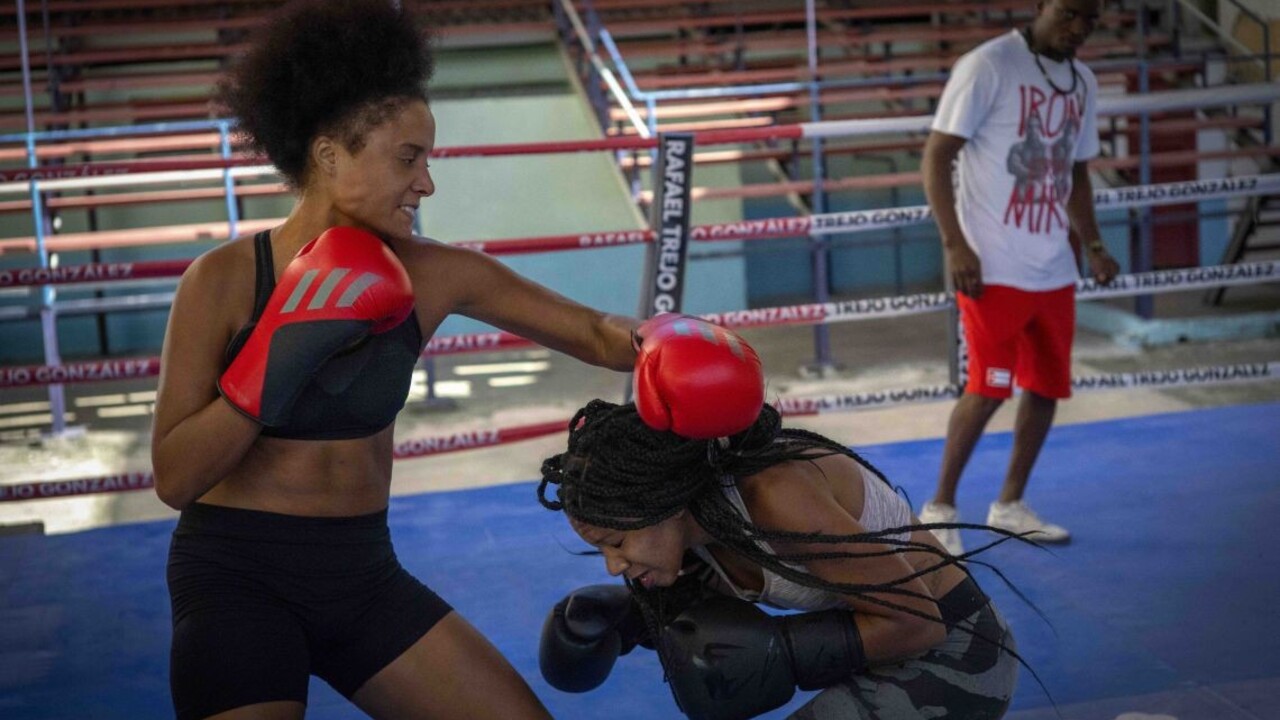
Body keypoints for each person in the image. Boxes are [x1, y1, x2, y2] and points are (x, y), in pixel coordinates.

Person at [148, 1, 676, 717]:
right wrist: (275, 355)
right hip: (235, 575)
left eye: (428, 159)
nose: (426, 183)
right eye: (408, 158)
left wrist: (673, 342)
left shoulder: (434, 273)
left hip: (361, 575)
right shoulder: (222, 279)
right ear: (329, 154)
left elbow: (592, 331)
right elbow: (176, 477)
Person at [536, 400, 1024, 720]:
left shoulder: (774, 495)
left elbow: (919, 623)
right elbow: (704, 622)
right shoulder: (688, 536)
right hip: (881, 649)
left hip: (960, 651)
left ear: (666, 504)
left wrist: (782, 653)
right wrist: (632, 622)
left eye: (618, 542)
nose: (613, 566)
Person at [918, 0, 1121, 555]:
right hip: (991, 265)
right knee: (987, 390)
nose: (1078, 28)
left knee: (1047, 388)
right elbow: (936, 156)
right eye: (1068, 14)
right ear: (1041, 6)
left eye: (1090, 20)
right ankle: (939, 509)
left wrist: (1094, 243)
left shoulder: (1082, 80)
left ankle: (1009, 504)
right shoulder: (988, 64)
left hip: (1053, 265)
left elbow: (1076, 170)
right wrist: (956, 245)